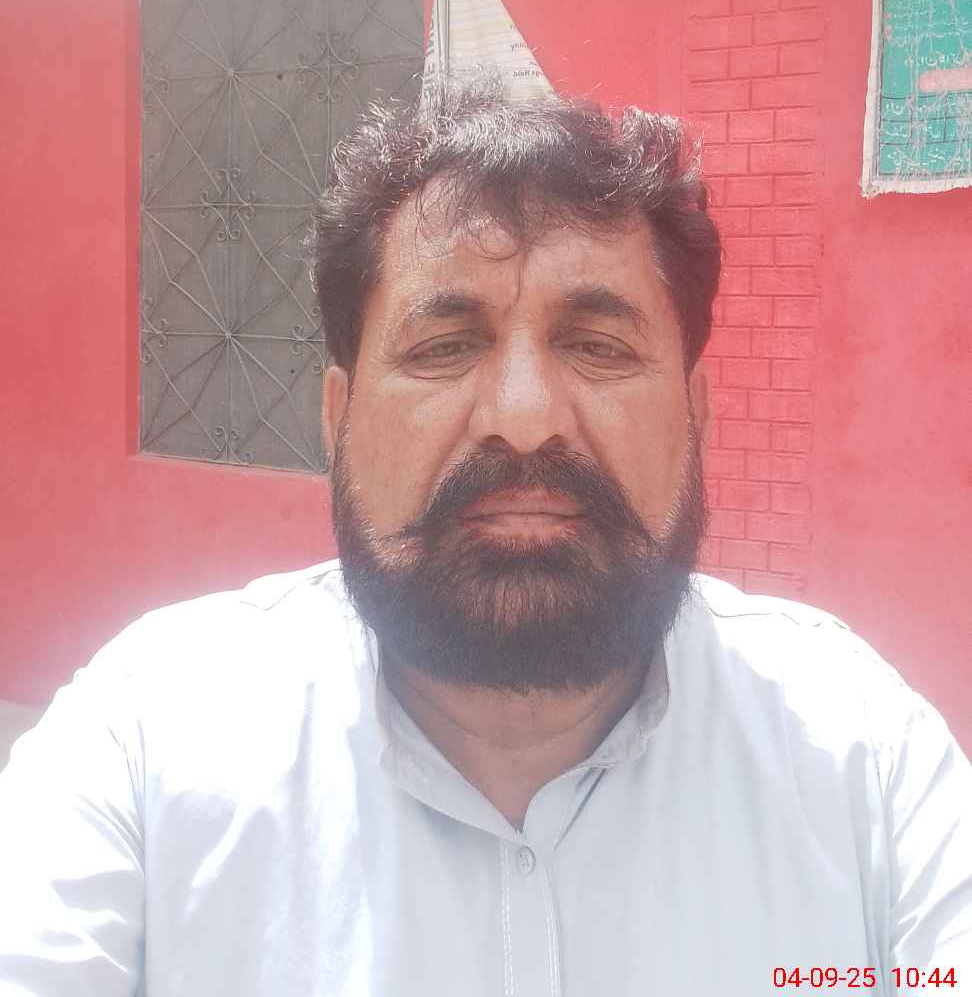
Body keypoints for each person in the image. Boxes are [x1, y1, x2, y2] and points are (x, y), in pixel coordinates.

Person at [0, 82, 969, 996]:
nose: (525, 416)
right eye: (444, 347)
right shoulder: (145, 743)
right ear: (338, 420)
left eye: (598, 346)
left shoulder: (864, 761)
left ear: (697, 416)